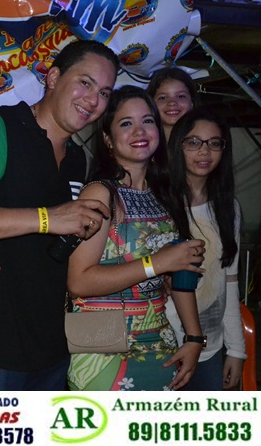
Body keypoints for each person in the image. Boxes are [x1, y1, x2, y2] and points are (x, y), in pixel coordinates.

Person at [0, 40, 117, 391]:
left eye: (104, 92)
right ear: (53, 77)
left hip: (53, 344)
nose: (93, 100)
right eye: (85, 83)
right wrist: (47, 219)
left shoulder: (78, 157)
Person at [66, 85, 204, 391]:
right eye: (126, 123)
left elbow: (179, 273)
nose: (139, 131)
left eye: (147, 121)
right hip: (98, 338)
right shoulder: (100, 192)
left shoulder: (165, 194)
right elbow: (78, 282)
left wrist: (194, 338)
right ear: (108, 138)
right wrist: (157, 263)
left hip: (159, 335)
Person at [165, 108, 246, 390]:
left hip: (210, 346)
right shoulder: (159, 202)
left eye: (214, 143)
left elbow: (229, 281)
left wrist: (236, 349)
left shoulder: (228, 208)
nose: (204, 151)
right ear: (178, 146)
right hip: (163, 343)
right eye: (194, 142)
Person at [147, 67, 197, 142]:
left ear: (192, 102)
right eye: (163, 98)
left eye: (180, 96)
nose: (172, 103)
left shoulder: (205, 140)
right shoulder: (144, 144)